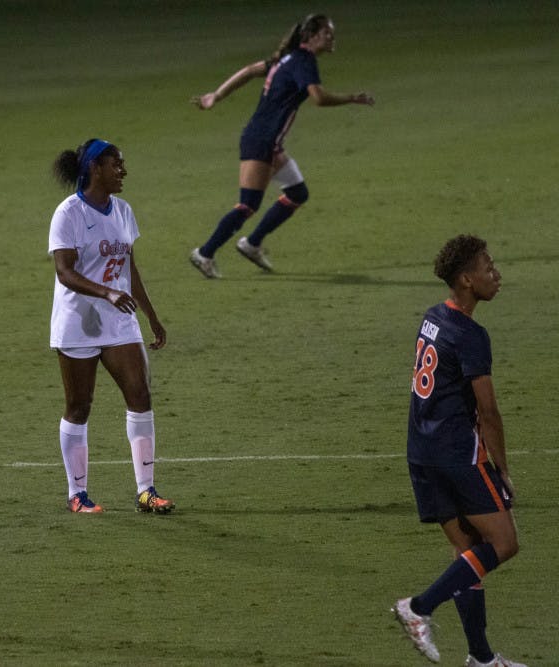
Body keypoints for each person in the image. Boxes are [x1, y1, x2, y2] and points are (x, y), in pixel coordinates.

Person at [392, 235, 525, 667]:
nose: (496, 273)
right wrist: (501, 468)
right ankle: (419, 606)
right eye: (488, 267)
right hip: (456, 454)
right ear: (466, 280)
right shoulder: (471, 335)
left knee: (467, 552)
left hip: (421, 451)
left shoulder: (433, 318)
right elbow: (489, 412)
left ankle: (481, 659)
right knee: (503, 543)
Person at [188, 13, 374, 277]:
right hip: (263, 140)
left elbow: (250, 71)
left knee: (298, 193)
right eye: (327, 33)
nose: (332, 38)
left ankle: (252, 244)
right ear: (311, 37)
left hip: (266, 140)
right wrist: (352, 98)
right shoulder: (303, 60)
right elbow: (318, 98)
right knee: (248, 205)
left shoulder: (286, 59)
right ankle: (204, 253)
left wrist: (216, 95)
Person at [48, 138, 174, 514]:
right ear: (94, 169)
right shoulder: (68, 213)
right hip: (78, 322)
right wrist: (106, 293)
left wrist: (151, 315)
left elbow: (129, 267)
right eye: (116, 164)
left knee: (140, 394)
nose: (123, 171)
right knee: (79, 405)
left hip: (119, 320)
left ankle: (146, 491)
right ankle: (77, 494)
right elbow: (65, 271)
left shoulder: (122, 211)